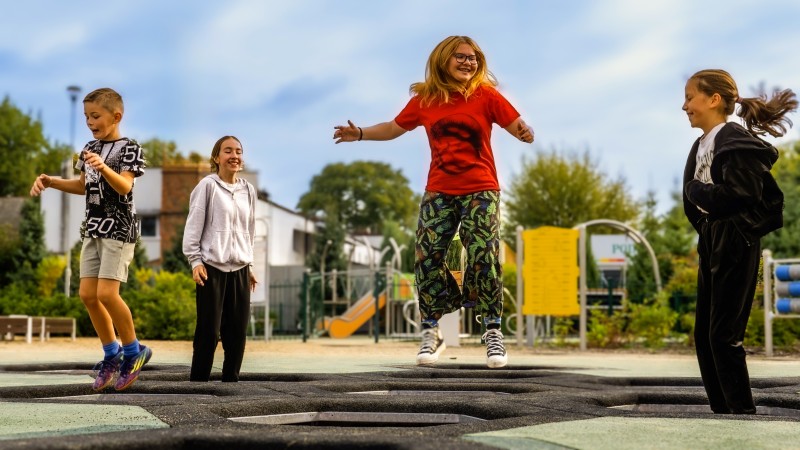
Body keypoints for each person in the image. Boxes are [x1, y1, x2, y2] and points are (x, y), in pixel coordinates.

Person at [333, 35, 534, 368]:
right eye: (461, 57)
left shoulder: (486, 96)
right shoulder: (426, 99)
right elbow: (394, 127)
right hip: (439, 190)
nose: (468, 62)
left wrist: (525, 132)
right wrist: (361, 133)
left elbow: (517, 125)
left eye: (473, 58)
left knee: (483, 253)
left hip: (481, 189)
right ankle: (432, 329)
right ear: (443, 60)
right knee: (426, 257)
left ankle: (493, 330)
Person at [682, 69, 797, 413]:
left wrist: (697, 190)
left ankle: (742, 413)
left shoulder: (733, 139)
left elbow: (742, 195)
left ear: (713, 99)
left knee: (723, 336)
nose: (684, 105)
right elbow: (700, 201)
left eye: (690, 97)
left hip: (736, 240)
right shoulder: (702, 143)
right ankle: (722, 412)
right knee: (704, 336)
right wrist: (703, 222)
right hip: (712, 239)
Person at [30, 87, 151, 391]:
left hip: (119, 230)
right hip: (94, 228)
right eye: (86, 116)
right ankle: (111, 354)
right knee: (87, 295)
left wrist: (104, 166)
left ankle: (134, 352)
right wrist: (51, 182)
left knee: (108, 294)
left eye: (95, 116)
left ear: (116, 116)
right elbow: (84, 184)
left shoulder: (130, 148)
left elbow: (124, 186)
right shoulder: (89, 147)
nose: (89, 121)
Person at [183, 135, 257, 382]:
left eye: (238, 150)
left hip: (241, 267)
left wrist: (251, 264)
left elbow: (250, 229)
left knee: (237, 330)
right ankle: (199, 381)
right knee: (209, 330)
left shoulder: (248, 190)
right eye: (228, 151)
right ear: (217, 157)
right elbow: (194, 225)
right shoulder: (207, 186)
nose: (234, 155)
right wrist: (195, 261)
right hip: (211, 267)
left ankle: (231, 381)